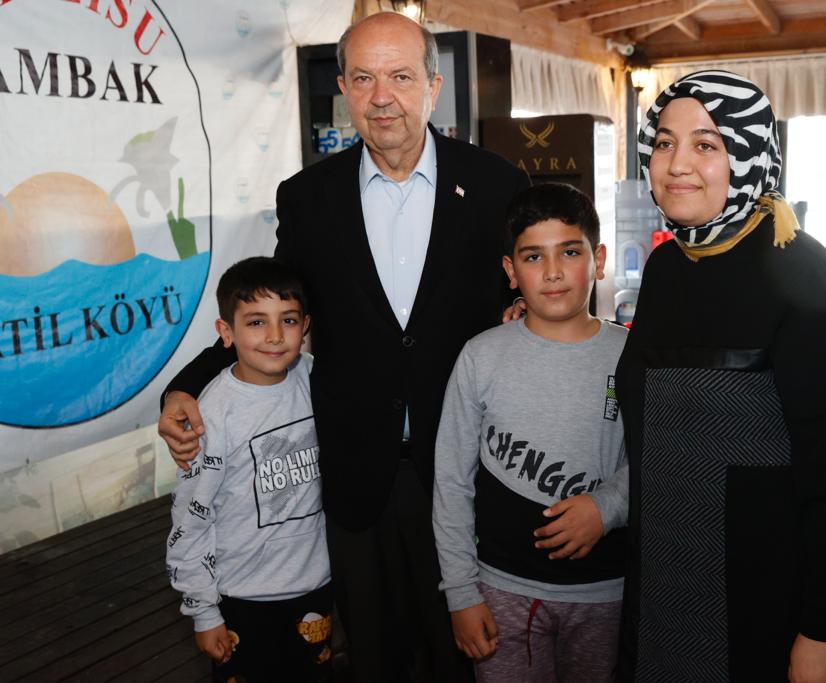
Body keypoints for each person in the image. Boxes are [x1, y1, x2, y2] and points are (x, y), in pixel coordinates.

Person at [157, 11, 530, 683]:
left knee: (466, 657)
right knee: (373, 657)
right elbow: (274, 308)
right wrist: (184, 384)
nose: (382, 96)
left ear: (433, 86)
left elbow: (537, 297)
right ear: (344, 89)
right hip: (357, 473)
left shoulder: (498, 185)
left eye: (400, 77)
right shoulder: (309, 197)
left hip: (468, 466)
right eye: (363, 78)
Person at [615, 71, 826, 681]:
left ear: (749, 155)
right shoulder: (667, 269)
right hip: (666, 579)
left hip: (765, 603)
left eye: (706, 145)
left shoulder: (810, 285)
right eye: (664, 143)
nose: (677, 164)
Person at [433, 183, 629, 683]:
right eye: (534, 257)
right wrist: (461, 593)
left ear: (598, 259)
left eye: (570, 252)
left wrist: (606, 507)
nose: (554, 271)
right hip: (501, 589)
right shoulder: (480, 356)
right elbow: (451, 482)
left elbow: (657, 459)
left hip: (606, 592)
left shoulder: (632, 355)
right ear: (510, 271)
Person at [166, 257, 332, 683]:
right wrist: (204, 612)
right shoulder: (211, 415)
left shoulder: (317, 380)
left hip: (315, 588)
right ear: (226, 333)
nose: (275, 336)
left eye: (288, 320)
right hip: (241, 597)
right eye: (256, 322)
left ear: (305, 326)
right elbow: (191, 521)